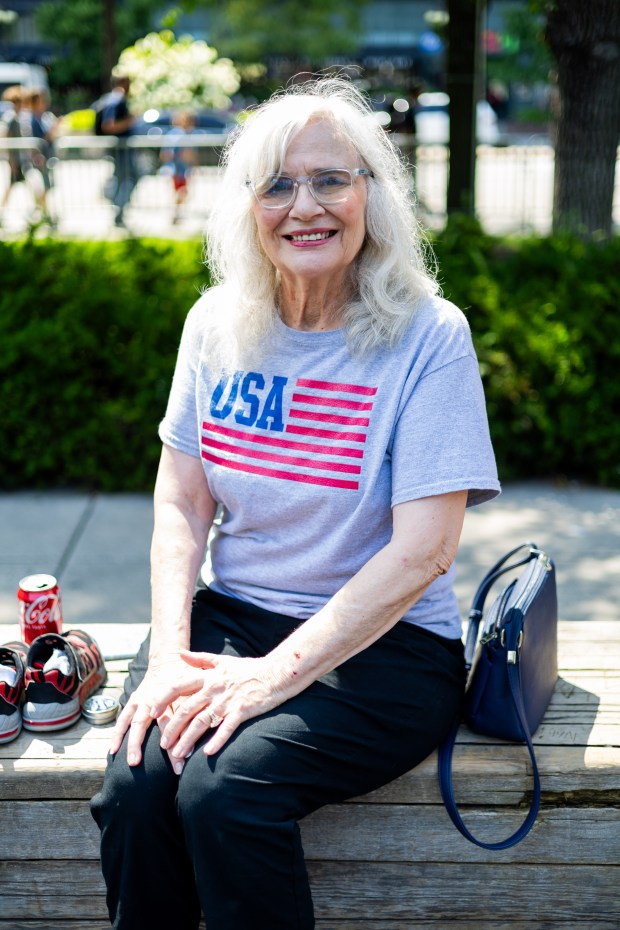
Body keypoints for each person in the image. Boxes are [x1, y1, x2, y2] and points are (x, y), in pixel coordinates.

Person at [91, 76, 500, 930]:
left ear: (371, 195)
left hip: (386, 648)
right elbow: (182, 498)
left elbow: (424, 550)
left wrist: (270, 681)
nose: (304, 206)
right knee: (135, 785)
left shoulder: (430, 336)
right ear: (246, 207)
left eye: (330, 179)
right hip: (235, 616)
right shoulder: (216, 323)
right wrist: (168, 657)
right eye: (277, 183)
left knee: (224, 791)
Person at [94, 73, 137, 227]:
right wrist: (130, 121)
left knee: (121, 177)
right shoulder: (116, 99)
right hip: (120, 148)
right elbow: (109, 125)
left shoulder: (112, 98)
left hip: (120, 148)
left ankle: (116, 205)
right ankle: (117, 208)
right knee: (129, 177)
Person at [18, 87, 57, 225]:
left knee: (47, 187)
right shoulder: (30, 119)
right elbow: (34, 140)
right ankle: (41, 214)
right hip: (36, 160)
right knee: (41, 187)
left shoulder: (44, 117)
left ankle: (42, 214)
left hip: (45, 158)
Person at [159, 109, 200, 224]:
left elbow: (193, 154)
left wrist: (195, 166)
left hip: (185, 169)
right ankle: (176, 213)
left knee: (184, 192)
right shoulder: (174, 135)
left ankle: (177, 212)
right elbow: (165, 154)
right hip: (175, 169)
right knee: (180, 191)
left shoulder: (191, 134)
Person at [0, 86, 25, 222]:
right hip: (14, 159)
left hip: (18, 158)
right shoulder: (11, 117)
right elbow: (5, 135)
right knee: (11, 187)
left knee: (14, 187)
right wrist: (11, 160)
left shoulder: (14, 116)